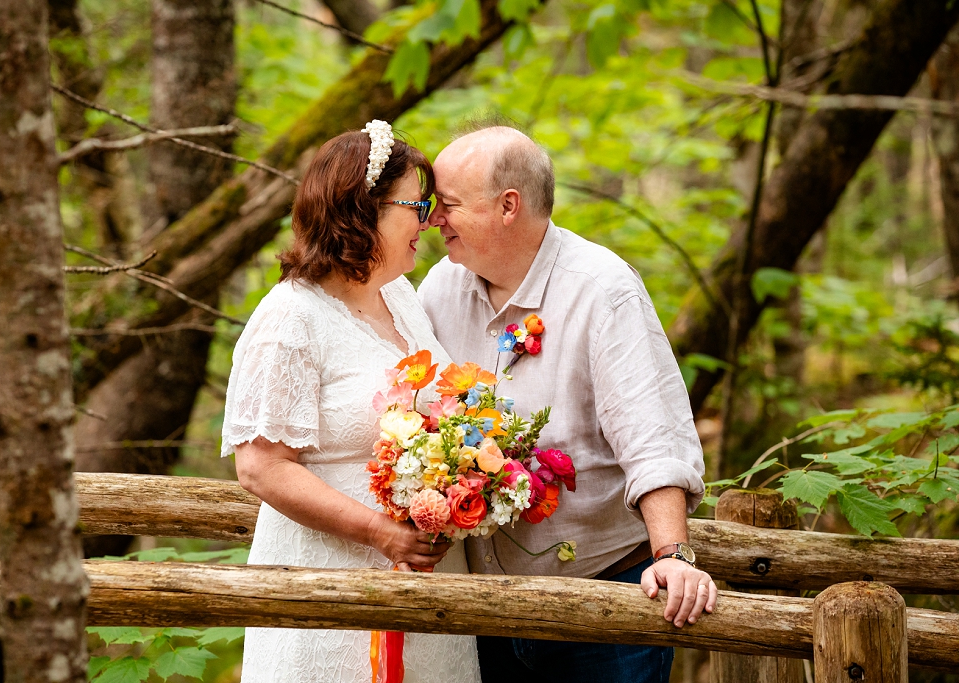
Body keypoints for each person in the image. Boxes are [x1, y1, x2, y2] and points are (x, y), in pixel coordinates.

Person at [417, 124, 716, 682]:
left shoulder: (603, 290)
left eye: (448, 205)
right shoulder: (439, 289)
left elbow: (653, 436)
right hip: (483, 608)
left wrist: (673, 554)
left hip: (604, 602)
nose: (433, 219)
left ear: (509, 206)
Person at [221, 121, 481, 683]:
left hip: (429, 593)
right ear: (362, 208)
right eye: (417, 203)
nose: (430, 219)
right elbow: (261, 468)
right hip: (328, 590)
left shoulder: (402, 297)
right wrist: (380, 532)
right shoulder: (288, 319)